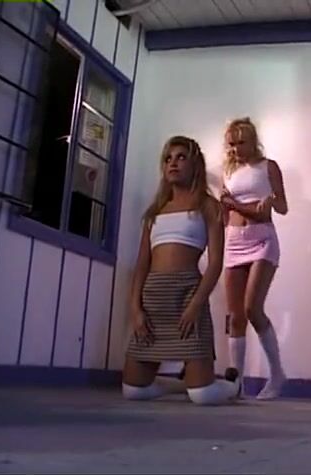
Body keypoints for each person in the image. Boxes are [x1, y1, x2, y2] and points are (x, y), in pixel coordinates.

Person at [122, 135, 240, 405]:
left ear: (195, 164)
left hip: (187, 294)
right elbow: (142, 264)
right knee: (133, 390)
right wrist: (135, 309)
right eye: (168, 159)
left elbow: (215, 263)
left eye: (181, 157)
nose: (173, 163)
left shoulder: (208, 206)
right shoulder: (155, 212)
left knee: (203, 395)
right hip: (153, 298)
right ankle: (178, 386)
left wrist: (195, 305)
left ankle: (232, 386)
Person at [220, 117, 288, 400]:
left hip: (262, 241)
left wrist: (269, 201)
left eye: (241, 142)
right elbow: (226, 211)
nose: (236, 149)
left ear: (253, 141)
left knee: (252, 308)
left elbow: (282, 206)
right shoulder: (229, 172)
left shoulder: (268, 167)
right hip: (235, 242)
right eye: (231, 144)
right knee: (235, 316)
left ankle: (277, 375)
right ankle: (236, 383)